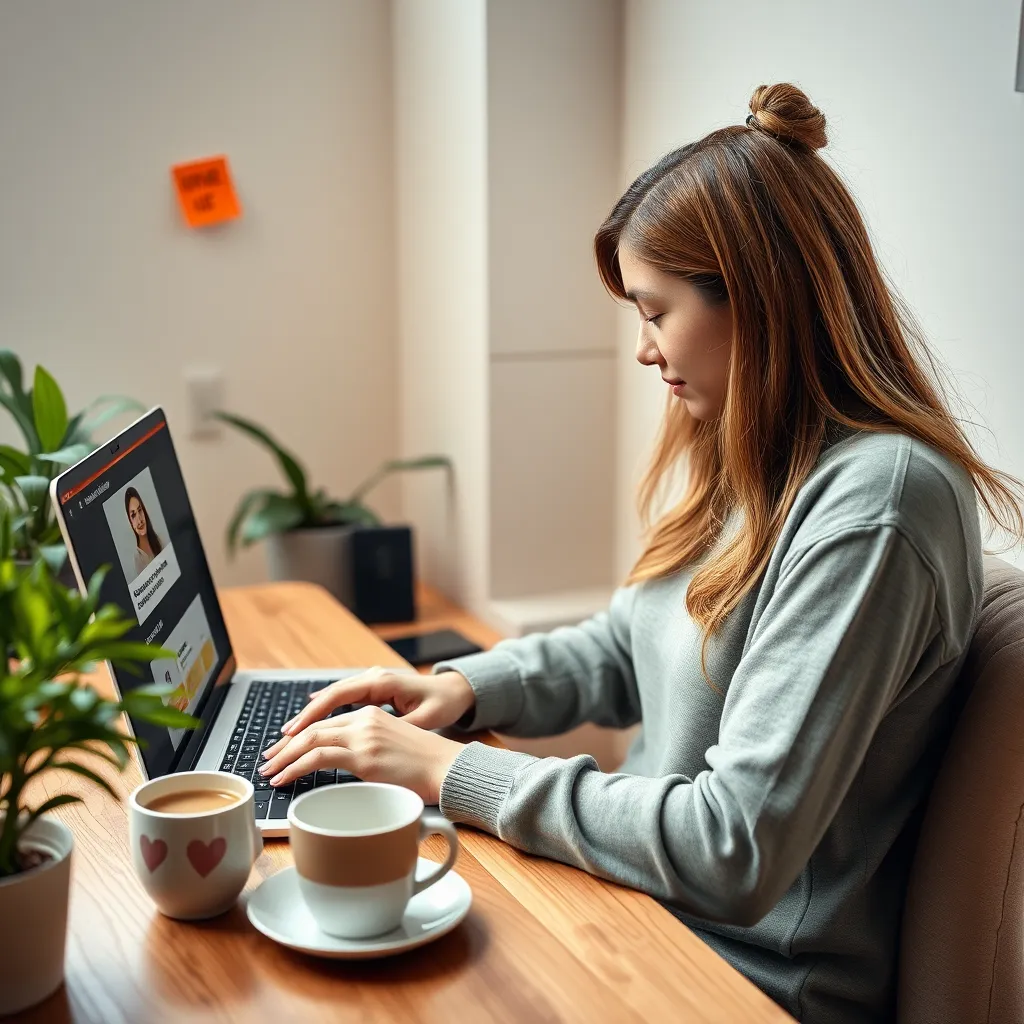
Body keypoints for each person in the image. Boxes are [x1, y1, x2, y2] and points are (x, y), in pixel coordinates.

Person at [259, 84, 1022, 1022]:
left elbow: (733, 847)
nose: (644, 351)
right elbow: (632, 643)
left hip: (741, 982)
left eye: (656, 313)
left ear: (758, 301)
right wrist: (464, 689)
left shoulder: (876, 505)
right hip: (638, 917)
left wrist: (445, 773)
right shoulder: (755, 453)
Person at [124, 486, 163, 575]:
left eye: (140, 510)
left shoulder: (160, 540)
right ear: (130, 521)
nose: (140, 520)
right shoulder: (137, 560)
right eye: (133, 515)